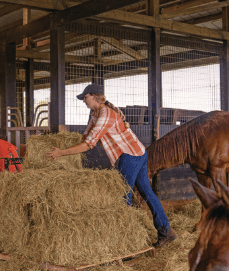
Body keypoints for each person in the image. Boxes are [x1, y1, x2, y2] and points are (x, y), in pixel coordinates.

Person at [46, 83, 177, 248]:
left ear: (93, 96)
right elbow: (86, 136)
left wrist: (61, 153)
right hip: (138, 152)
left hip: (129, 156)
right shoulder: (96, 113)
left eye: (85, 97)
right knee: (146, 192)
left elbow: (88, 145)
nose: (83, 101)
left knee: (123, 197)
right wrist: (65, 145)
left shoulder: (106, 114)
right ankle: (166, 231)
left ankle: (128, 243)